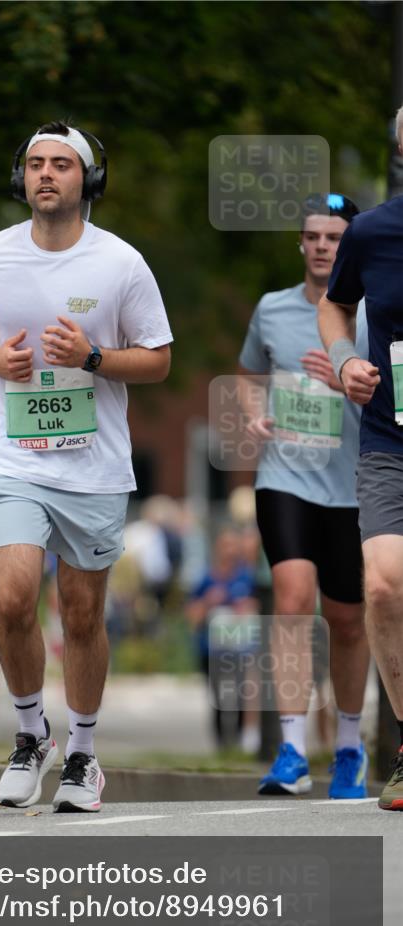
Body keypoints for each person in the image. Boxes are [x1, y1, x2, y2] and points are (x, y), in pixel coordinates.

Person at [0, 120, 172, 811]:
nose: (46, 174)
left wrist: (91, 358)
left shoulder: (121, 264)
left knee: (81, 615)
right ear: (20, 179)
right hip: (14, 459)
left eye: (61, 165)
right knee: (14, 596)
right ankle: (30, 736)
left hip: (92, 468)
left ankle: (81, 752)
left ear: (87, 180)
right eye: (35, 165)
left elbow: (159, 360)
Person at [238, 192, 371, 798]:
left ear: (351, 247)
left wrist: (343, 380)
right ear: (300, 243)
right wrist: (254, 414)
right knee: (291, 599)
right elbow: (248, 376)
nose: (322, 246)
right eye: (313, 236)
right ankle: (291, 748)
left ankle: (348, 745)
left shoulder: (371, 314)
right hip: (284, 476)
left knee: (346, 619)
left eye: (335, 238)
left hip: (354, 483)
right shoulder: (271, 309)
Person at [318, 106, 403, 811]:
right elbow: (333, 306)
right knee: (381, 586)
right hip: (389, 438)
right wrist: (345, 361)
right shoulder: (372, 232)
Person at [186, 527, 259, 749]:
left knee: (239, 693)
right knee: (217, 697)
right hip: (211, 649)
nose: (230, 551)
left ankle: (237, 740)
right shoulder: (206, 578)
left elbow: (260, 606)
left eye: (233, 546)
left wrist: (248, 607)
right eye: (225, 546)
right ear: (217, 549)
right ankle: (221, 743)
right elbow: (192, 615)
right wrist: (208, 602)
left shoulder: (247, 577)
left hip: (240, 648)